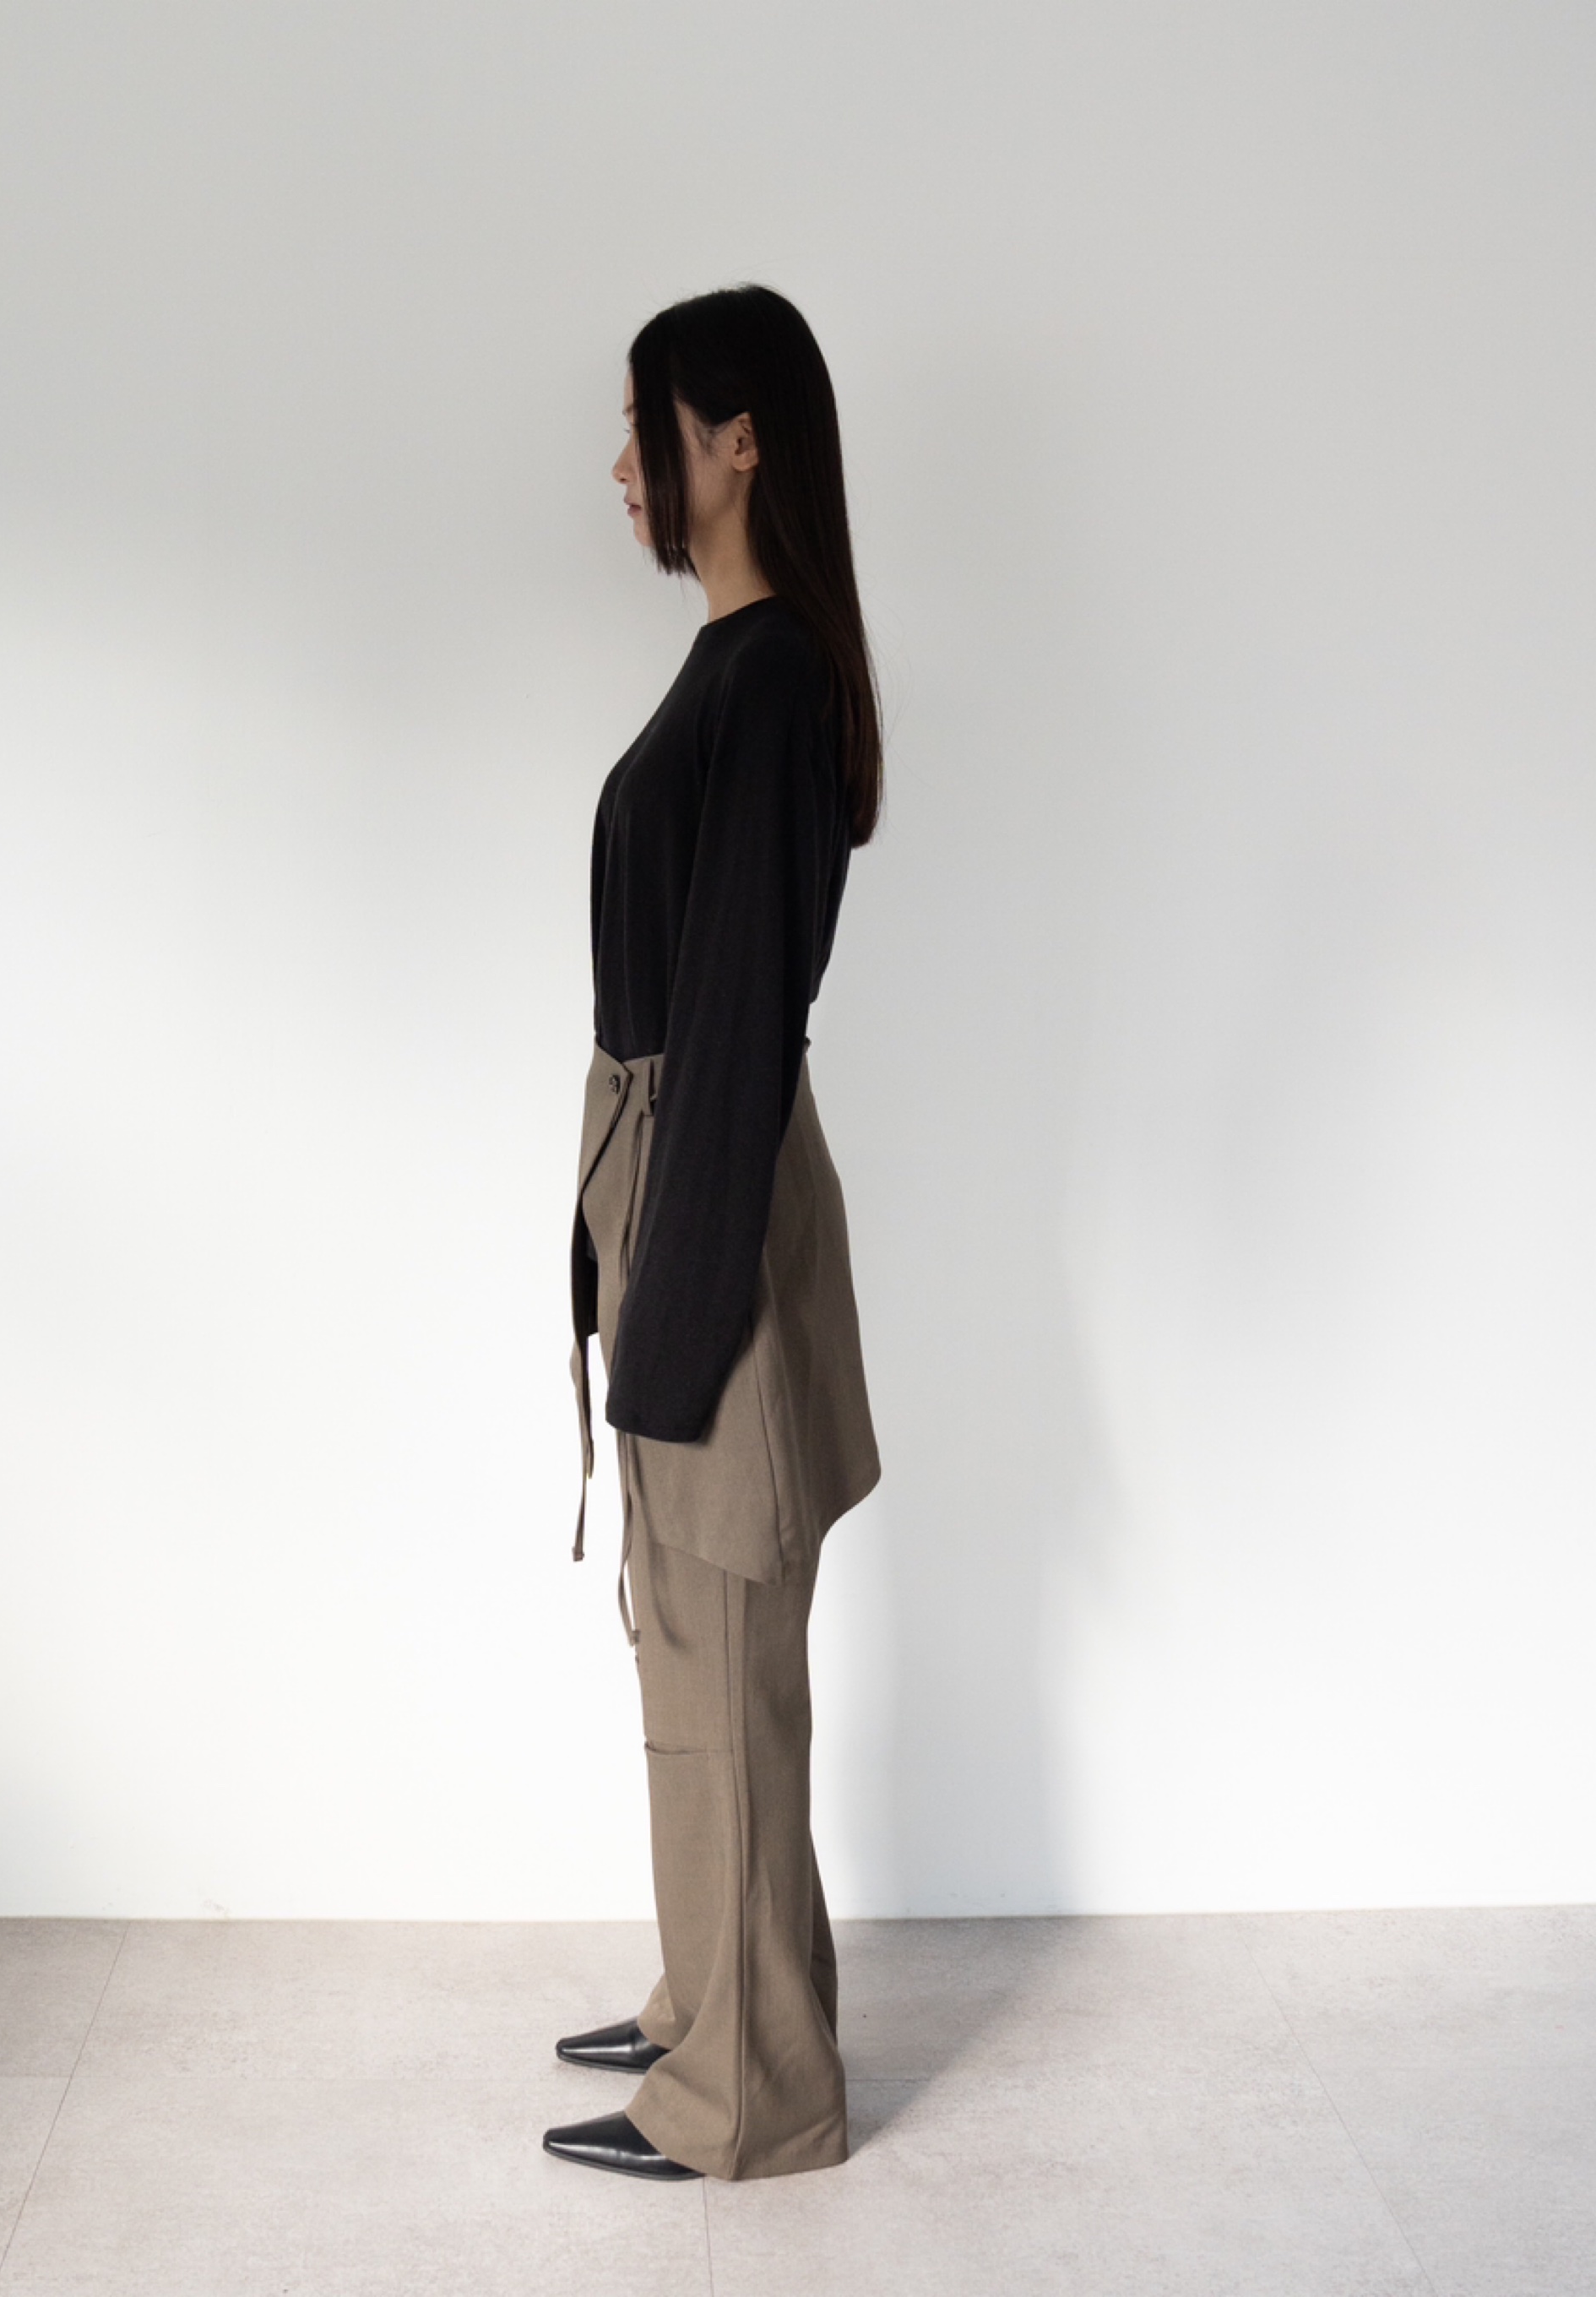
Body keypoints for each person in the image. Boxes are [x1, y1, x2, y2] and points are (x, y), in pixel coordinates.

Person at [545, 283, 883, 2185]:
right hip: (681, 1168)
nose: (622, 467)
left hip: (716, 1185)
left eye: (645, 427)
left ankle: (754, 2093)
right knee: (690, 1639)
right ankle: (718, 1995)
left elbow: (740, 1022)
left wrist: (673, 1321)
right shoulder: (738, 663)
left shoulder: (767, 686)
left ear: (737, 444)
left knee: (725, 1633)